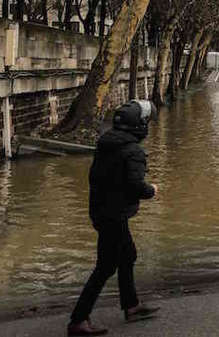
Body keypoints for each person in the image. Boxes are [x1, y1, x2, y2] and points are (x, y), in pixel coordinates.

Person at [68, 100, 161, 336]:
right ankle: (78, 320)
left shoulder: (106, 143)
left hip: (101, 210)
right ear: (139, 125)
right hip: (115, 214)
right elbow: (135, 186)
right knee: (106, 267)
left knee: (128, 255)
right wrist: (152, 190)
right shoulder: (134, 151)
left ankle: (131, 305)